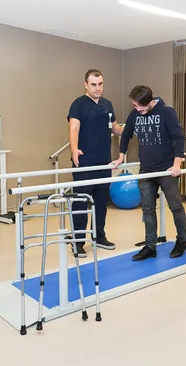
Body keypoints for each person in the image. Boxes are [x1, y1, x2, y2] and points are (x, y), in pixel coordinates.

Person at [111, 85, 186, 261]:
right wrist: (121, 156)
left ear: (150, 101)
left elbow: (179, 137)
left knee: (175, 206)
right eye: (135, 105)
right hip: (146, 169)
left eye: (141, 106)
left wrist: (177, 164)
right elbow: (126, 134)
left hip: (166, 169)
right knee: (147, 209)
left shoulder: (166, 112)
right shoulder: (134, 115)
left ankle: (182, 241)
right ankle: (150, 246)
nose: (138, 109)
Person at [66, 69, 124, 257]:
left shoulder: (107, 104)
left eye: (100, 84)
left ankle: (99, 236)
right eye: (93, 85)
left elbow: (114, 127)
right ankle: (77, 241)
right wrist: (74, 149)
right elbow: (74, 128)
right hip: (84, 162)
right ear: (86, 85)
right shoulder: (78, 104)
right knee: (81, 203)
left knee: (101, 202)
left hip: (103, 162)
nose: (97, 88)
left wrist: (129, 129)